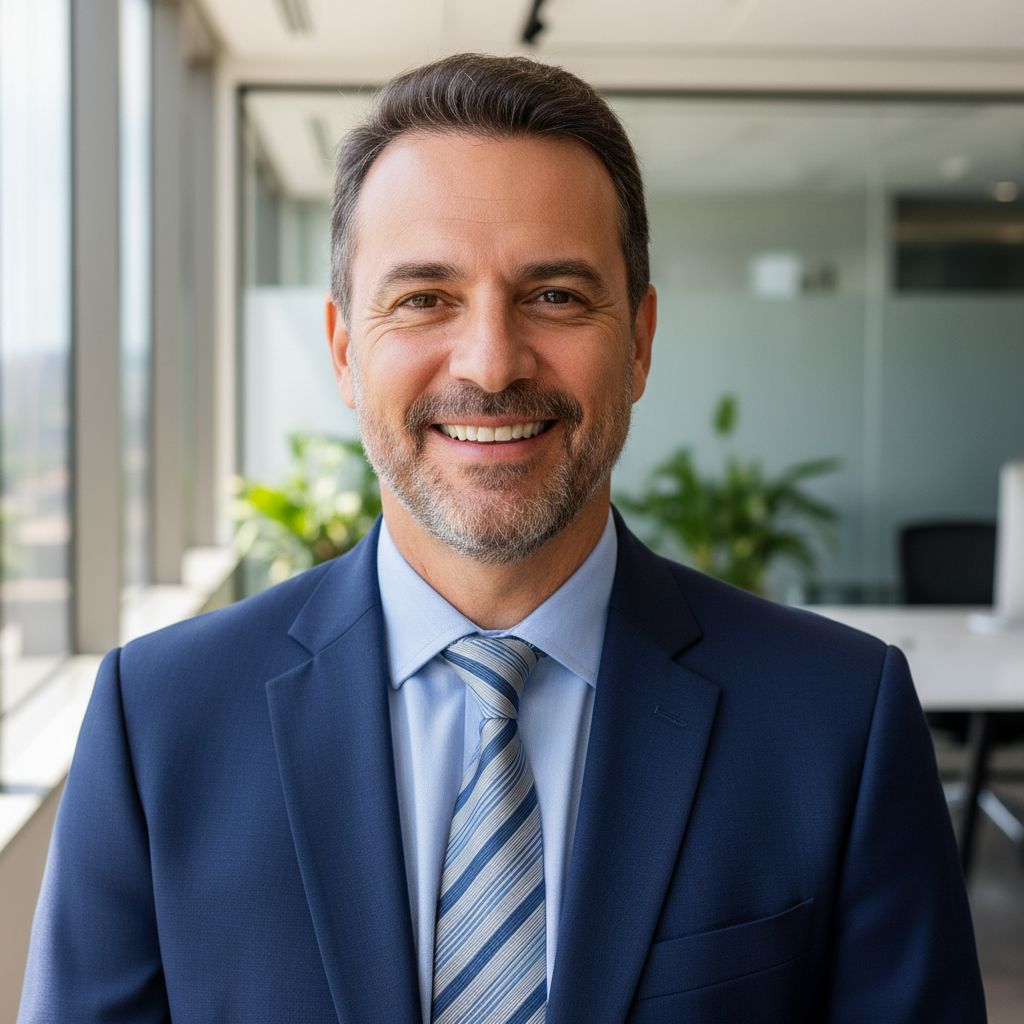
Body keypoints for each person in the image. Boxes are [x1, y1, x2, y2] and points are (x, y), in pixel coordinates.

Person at [19, 54, 985, 1024]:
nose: (489, 362)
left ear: (640, 340)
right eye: (424, 298)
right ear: (345, 350)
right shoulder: (159, 724)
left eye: (555, 294)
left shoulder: (835, 722)